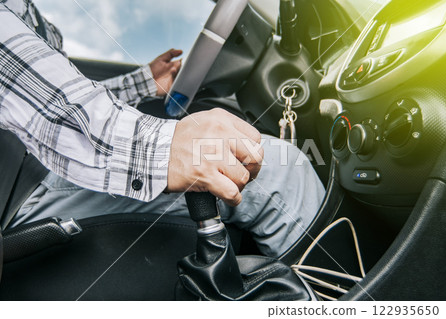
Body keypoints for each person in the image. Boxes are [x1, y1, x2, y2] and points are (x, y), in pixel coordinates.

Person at [0, 0, 325, 257]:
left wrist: (143, 83)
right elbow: (25, 82)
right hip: (20, 187)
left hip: (37, 167)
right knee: (281, 170)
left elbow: (40, 99)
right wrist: (163, 148)